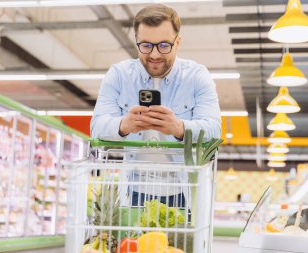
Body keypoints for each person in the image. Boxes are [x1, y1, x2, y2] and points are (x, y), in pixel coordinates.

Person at [91, 4, 221, 208]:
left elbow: (214, 130)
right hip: (133, 191)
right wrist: (123, 126)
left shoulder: (197, 76)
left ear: (177, 42)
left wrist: (179, 129)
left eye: (163, 45)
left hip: (185, 194)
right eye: (146, 45)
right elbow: (96, 128)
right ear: (136, 43)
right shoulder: (119, 75)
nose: (154, 55)